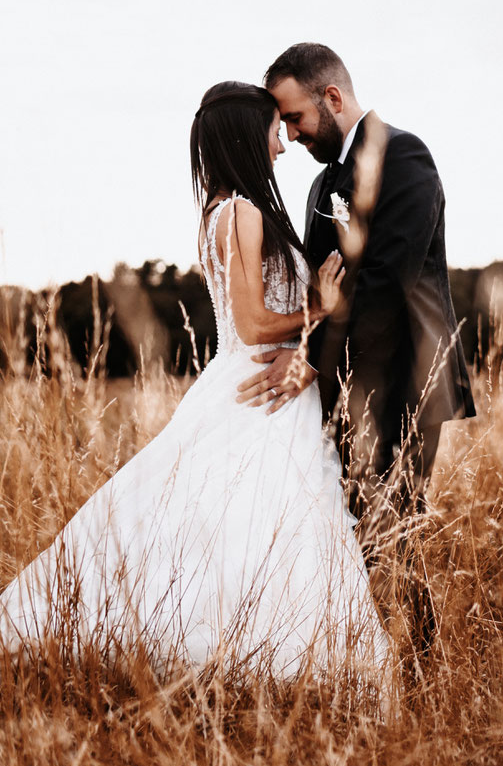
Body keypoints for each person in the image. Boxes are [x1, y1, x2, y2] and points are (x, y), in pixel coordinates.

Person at [0, 83, 394, 692]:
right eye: (273, 129)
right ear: (245, 134)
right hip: (262, 388)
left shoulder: (218, 211)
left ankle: (253, 656)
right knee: (254, 522)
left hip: (256, 382)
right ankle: (259, 659)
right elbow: (256, 324)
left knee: (244, 525)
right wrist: (321, 307)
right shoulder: (240, 211)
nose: (283, 144)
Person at [237, 44, 476, 669]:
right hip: (341, 388)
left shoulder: (403, 156)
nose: (290, 133)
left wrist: (311, 361)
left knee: (393, 531)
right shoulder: (322, 181)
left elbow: (387, 282)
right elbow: (323, 290)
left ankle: (421, 672)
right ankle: (365, 665)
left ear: (332, 98)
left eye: (295, 118)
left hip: (404, 382)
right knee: (351, 534)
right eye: (283, 124)